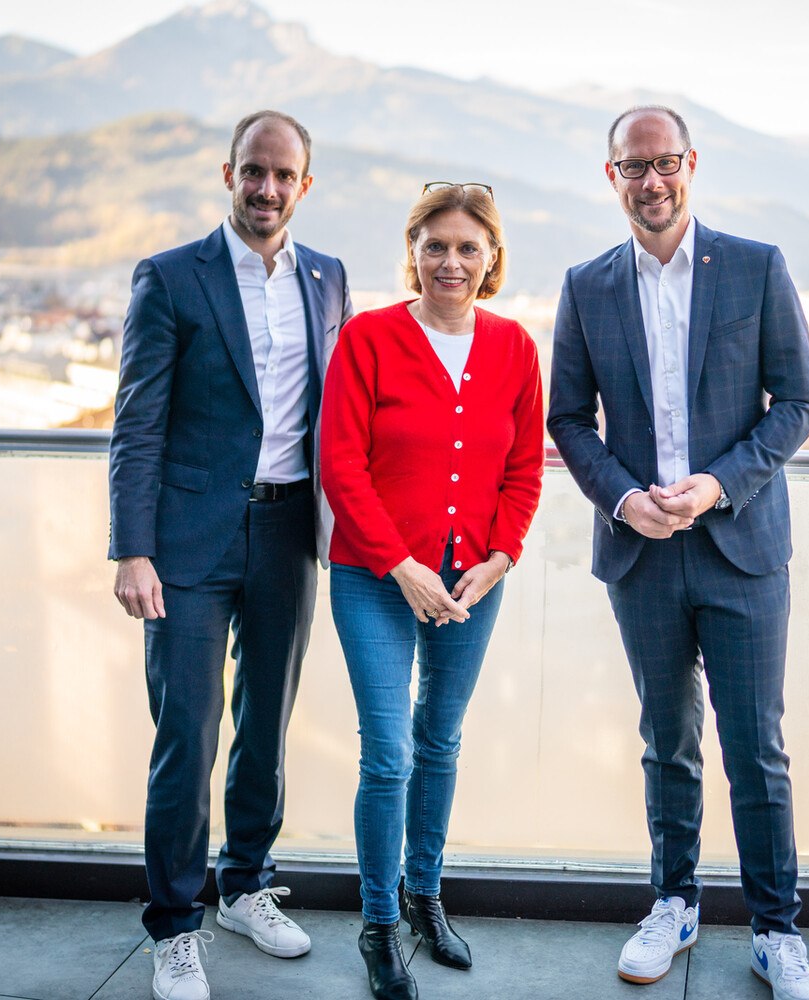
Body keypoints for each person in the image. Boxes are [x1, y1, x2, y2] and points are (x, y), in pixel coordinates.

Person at [546, 106, 809, 1000]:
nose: (652, 181)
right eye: (635, 167)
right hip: (642, 555)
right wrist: (625, 499)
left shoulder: (755, 266)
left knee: (756, 749)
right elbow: (566, 419)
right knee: (667, 743)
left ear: (691, 164)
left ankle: (777, 931)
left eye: (665, 163)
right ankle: (674, 903)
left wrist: (717, 484)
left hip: (742, 547)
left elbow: (799, 403)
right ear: (613, 177)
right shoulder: (586, 286)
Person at [108, 110, 352, 1000]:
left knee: (266, 722)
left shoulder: (328, 278)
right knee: (188, 731)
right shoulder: (171, 276)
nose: (267, 189)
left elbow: (344, 412)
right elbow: (137, 423)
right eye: (254, 171)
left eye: (284, 175)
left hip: (289, 536)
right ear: (228, 174)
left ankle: (245, 885)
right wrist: (132, 550)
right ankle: (174, 927)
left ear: (305, 185)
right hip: (187, 543)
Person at [320, 181, 544, 1000]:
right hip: (374, 575)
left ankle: (425, 897)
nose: (451, 261)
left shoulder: (515, 347)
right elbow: (340, 464)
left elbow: (524, 468)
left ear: (491, 258)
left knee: (440, 741)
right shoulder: (369, 338)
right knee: (389, 753)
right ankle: (379, 924)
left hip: (473, 578)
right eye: (436, 245)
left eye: (467, 248)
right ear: (413, 251)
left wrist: (502, 557)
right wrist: (400, 565)